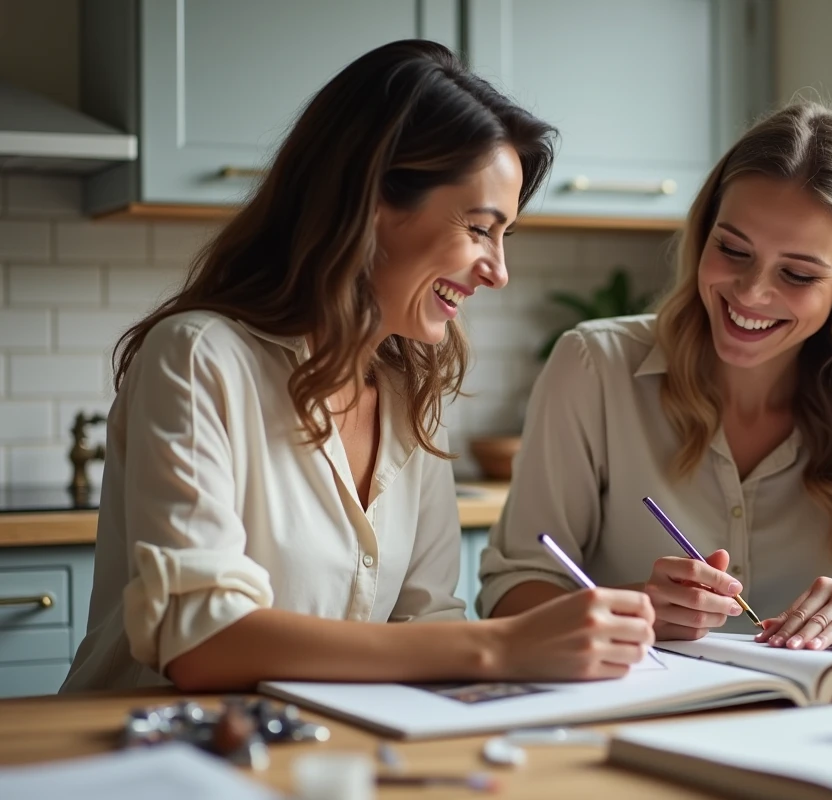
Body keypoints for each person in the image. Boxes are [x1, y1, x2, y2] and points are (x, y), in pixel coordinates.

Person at [60, 40, 654, 693]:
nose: (499, 271)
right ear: (373, 204)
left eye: (504, 236)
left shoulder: (414, 392)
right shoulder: (199, 357)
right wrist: (501, 645)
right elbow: (203, 641)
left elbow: (426, 620)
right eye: (480, 228)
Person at [478, 101, 832, 653]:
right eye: (732, 250)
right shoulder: (594, 367)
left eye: (797, 274)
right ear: (705, 233)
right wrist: (637, 605)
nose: (751, 294)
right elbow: (508, 595)